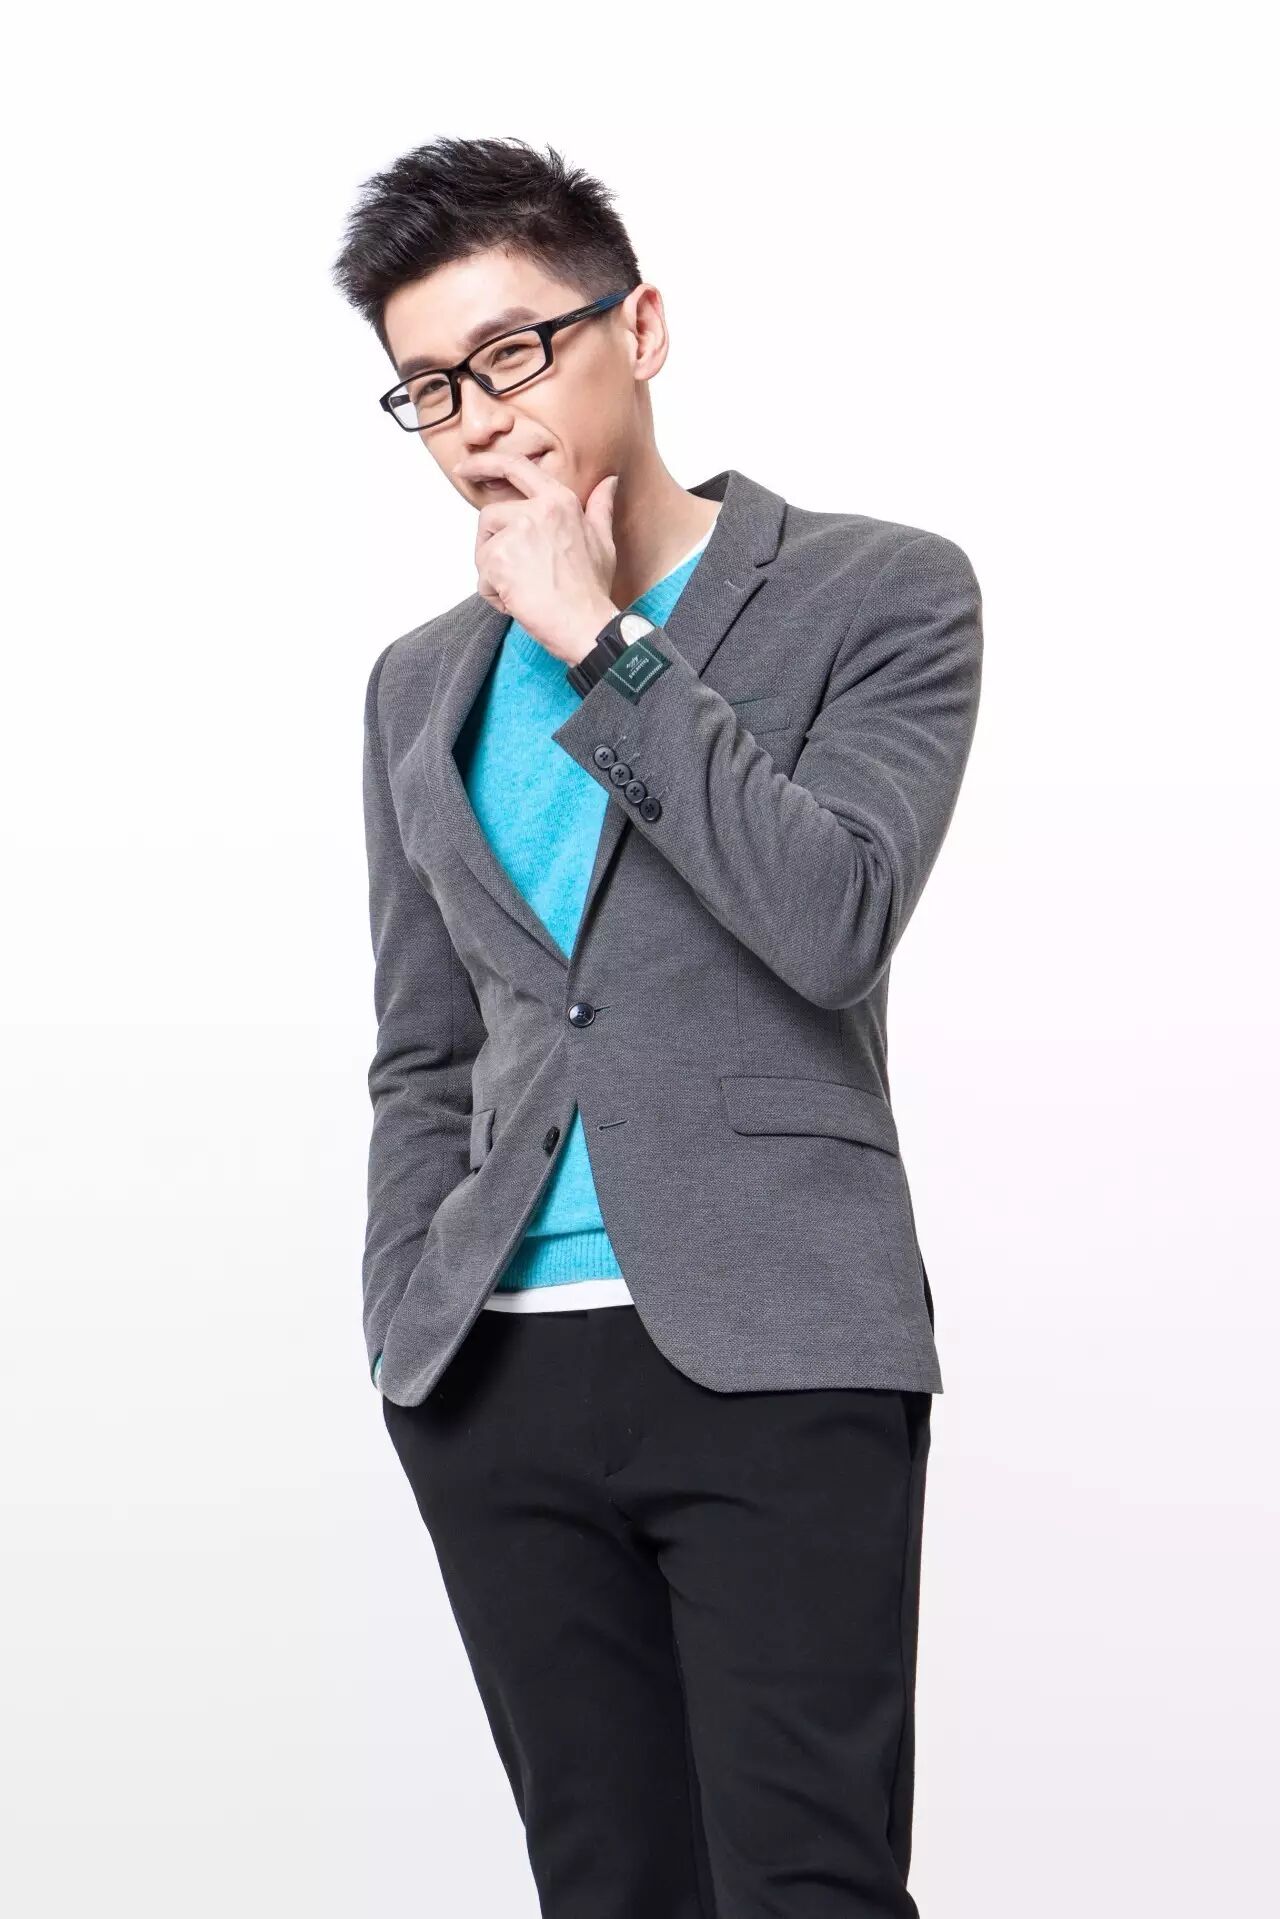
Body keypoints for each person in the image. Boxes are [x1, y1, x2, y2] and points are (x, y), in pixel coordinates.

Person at [331, 134, 982, 1918]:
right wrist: (407, 1321)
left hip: (777, 1345)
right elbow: (424, 1047)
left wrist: (595, 634)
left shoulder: (880, 592)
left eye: (514, 352)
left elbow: (832, 919)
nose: (479, 419)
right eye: (432, 386)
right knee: (608, 1889)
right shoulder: (416, 685)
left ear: (643, 328)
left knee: (806, 1887)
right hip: (494, 1373)